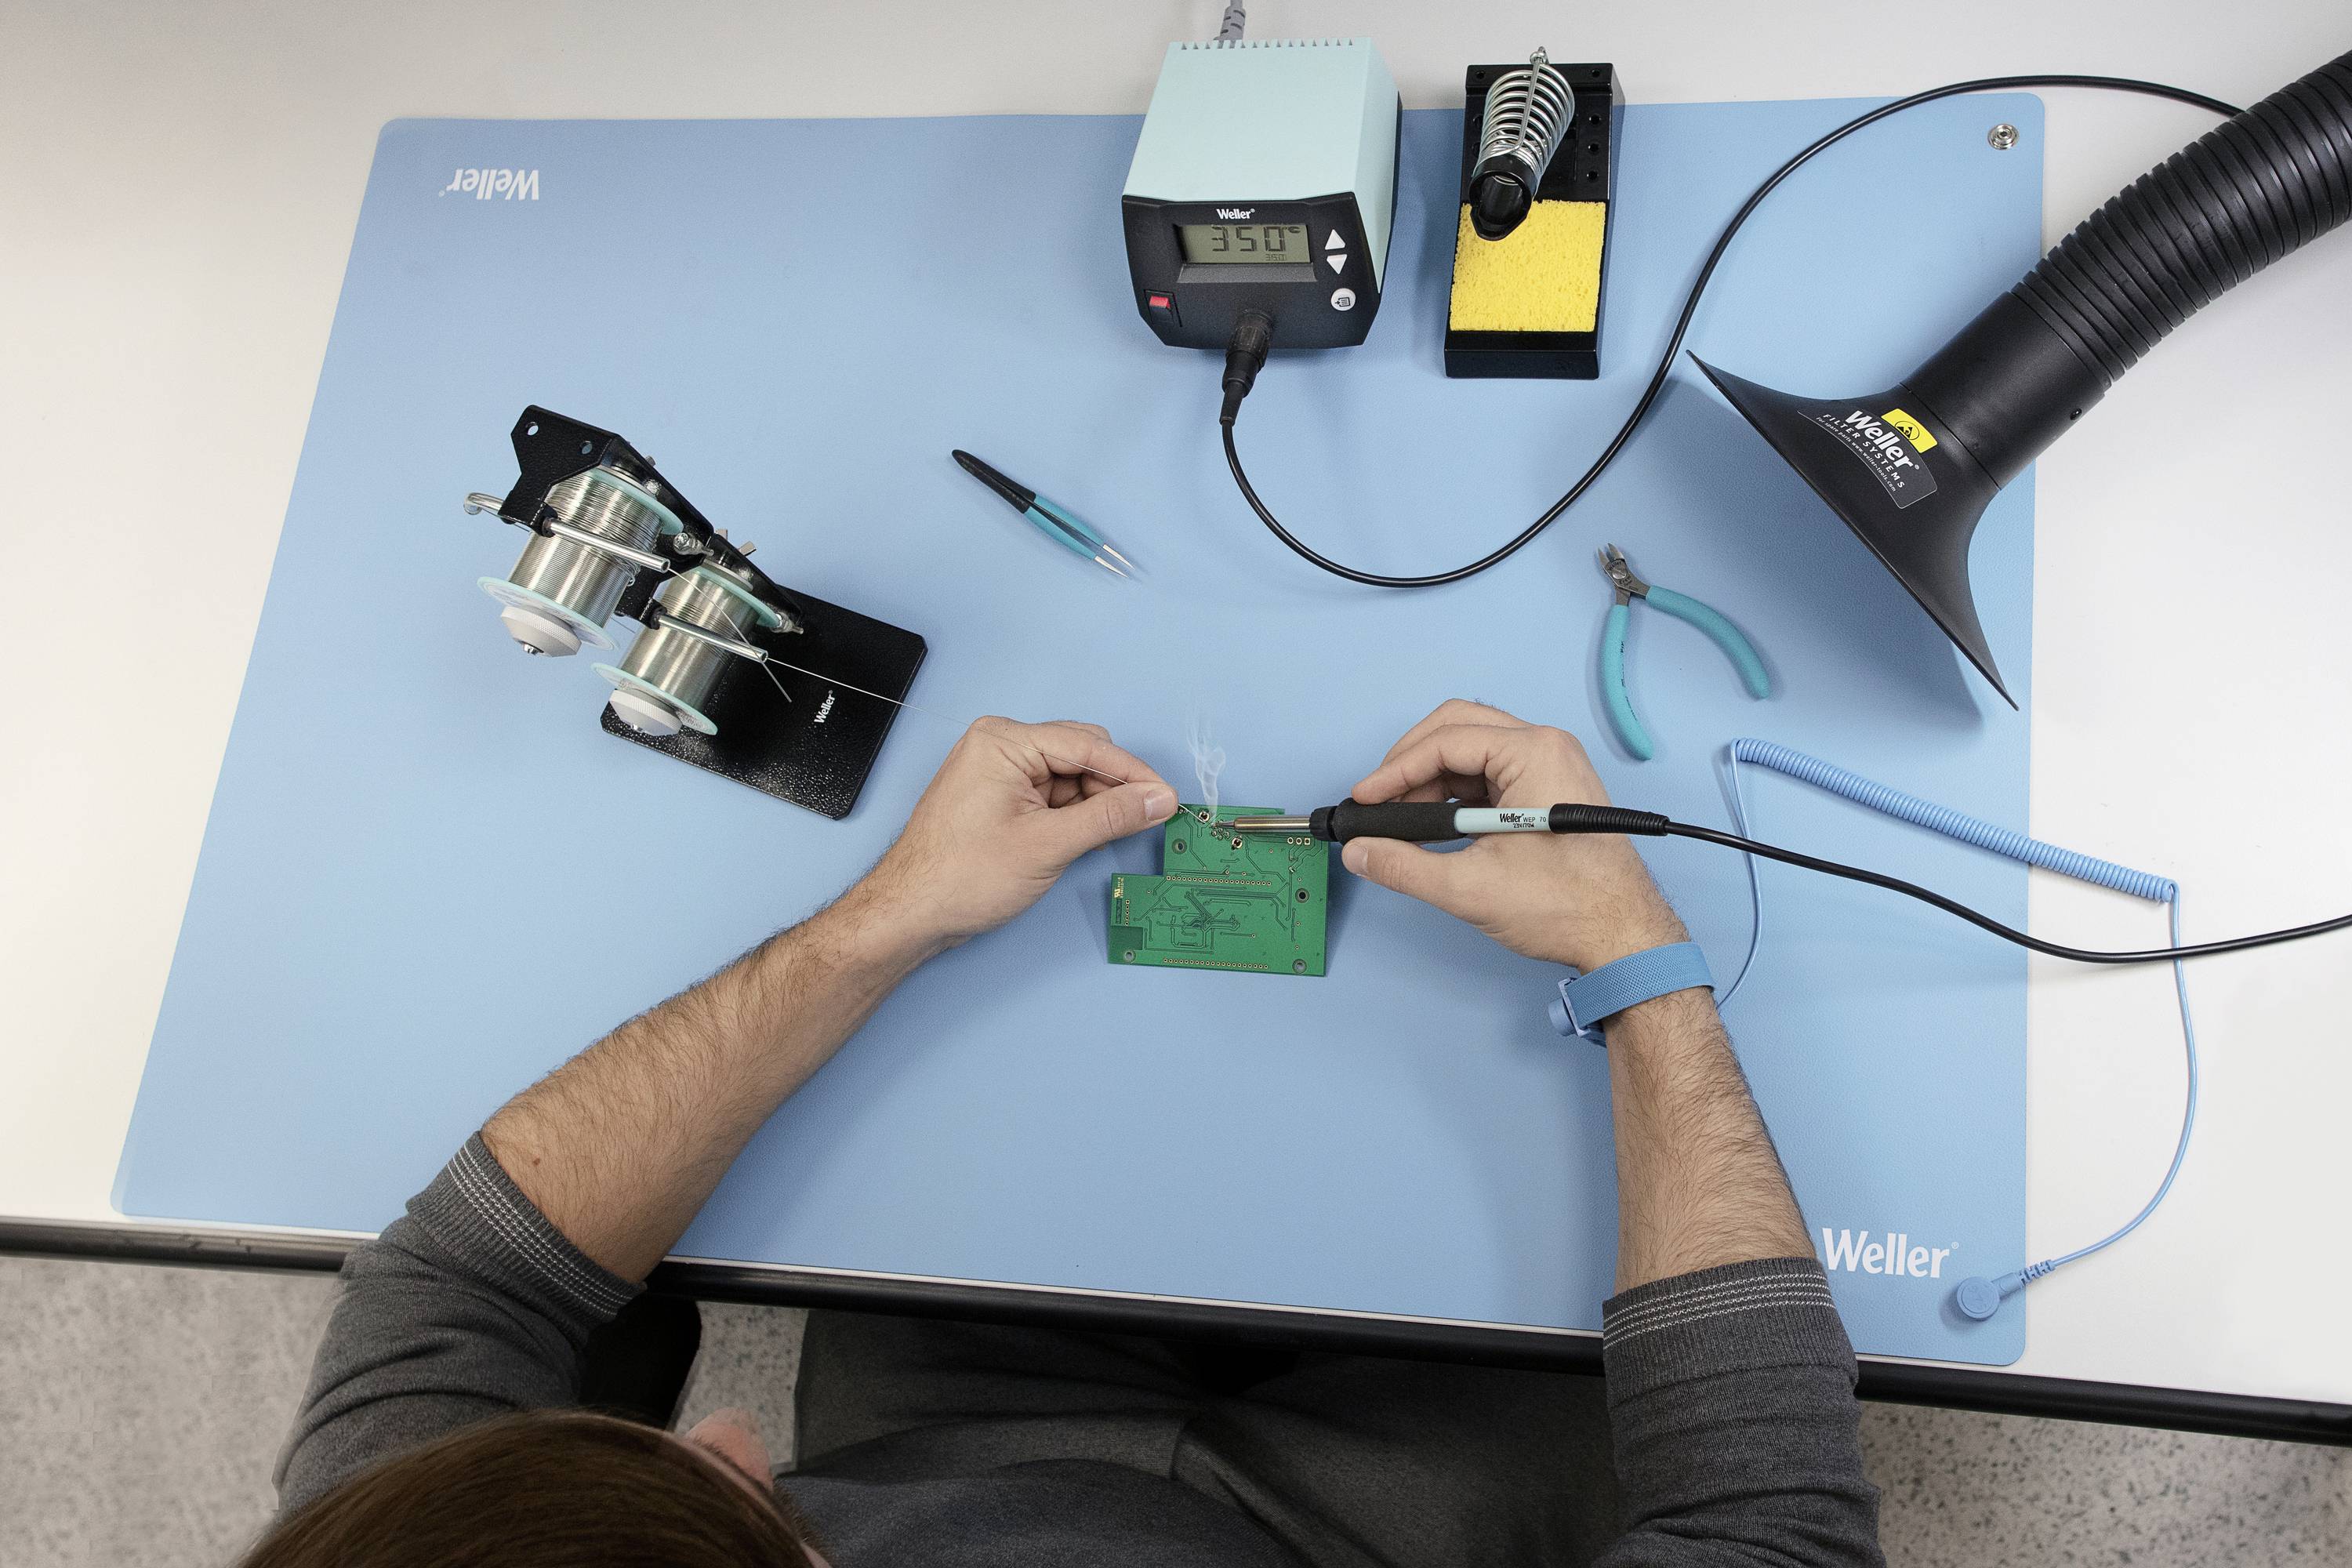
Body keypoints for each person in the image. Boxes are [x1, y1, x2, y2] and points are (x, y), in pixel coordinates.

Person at [245, 700, 1882, 1567]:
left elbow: (457, 1280)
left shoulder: (389, 1558)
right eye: (744, 1516)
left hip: (969, 1429)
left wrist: (880, 922)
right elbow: (1770, 1527)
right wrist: (1637, 957)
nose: (740, 1434)